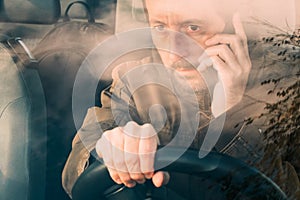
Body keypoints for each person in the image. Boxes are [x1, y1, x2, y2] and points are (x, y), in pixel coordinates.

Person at [62, 0, 297, 198]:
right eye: (161, 28)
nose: (174, 51)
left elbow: (284, 191)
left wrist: (234, 110)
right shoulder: (134, 79)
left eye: (193, 27)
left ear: (237, 27)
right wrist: (107, 151)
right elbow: (74, 175)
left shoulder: (284, 86)